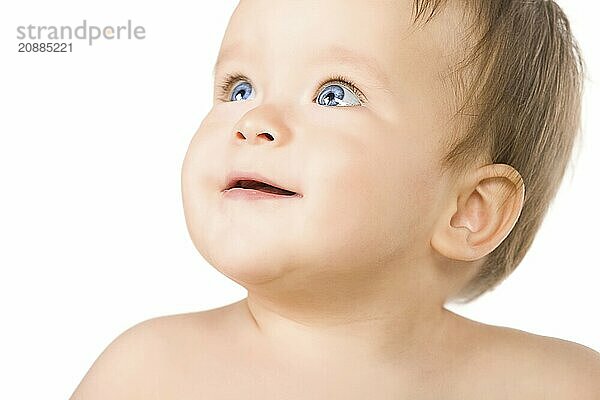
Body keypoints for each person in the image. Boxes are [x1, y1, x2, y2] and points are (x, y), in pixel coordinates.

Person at [69, 0, 600, 398]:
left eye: (335, 93)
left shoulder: (559, 385)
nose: (255, 121)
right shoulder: (149, 374)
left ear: (469, 211)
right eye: (240, 88)